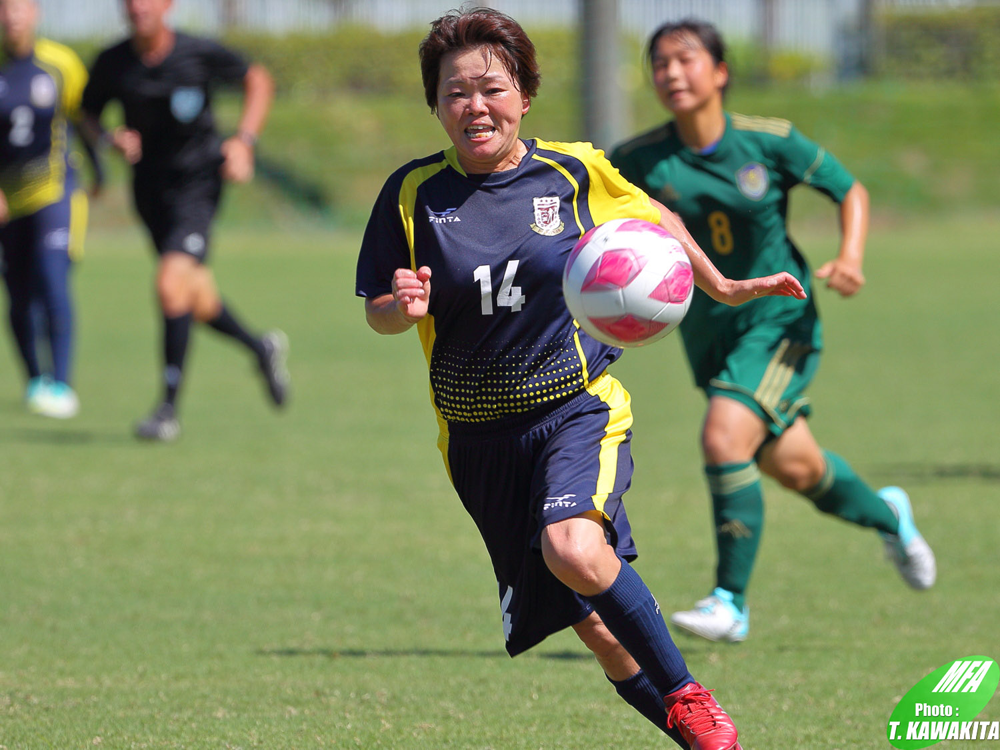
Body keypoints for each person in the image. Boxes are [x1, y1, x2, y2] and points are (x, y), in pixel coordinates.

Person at [357, 9, 809, 748]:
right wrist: (399, 309)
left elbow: (652, 215)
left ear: (524, 95)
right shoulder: (411, 194)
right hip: (475, 442)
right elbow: (378, 308)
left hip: (574, 410)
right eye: (455, 92)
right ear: (434, 105)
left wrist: (723, 286)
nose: (475, 106)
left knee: (574, 549)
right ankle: (700, 739)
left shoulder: (571, 172)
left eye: (492, 88)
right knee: (593, 623)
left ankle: (692, 697)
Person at [609, 19, 936, 644]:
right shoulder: (638, 160)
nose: (671, 72)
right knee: (799, 469)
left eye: (685, 59)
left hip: (781, 320)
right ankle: (890, 517)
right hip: (708, 334)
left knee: (722, 436)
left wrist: (851, 257)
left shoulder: (768, 141)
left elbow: (849, 189)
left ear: (720, 72)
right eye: (660, 63)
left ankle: (729, 603)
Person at [80, 0, 288, 441]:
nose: (138, 7)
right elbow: (87, 115)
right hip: (150, 192)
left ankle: (167, 410)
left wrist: (244, 142)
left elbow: (258, 79)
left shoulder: (197, 52)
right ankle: (260, 347)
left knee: (169, 283)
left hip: (198, 185)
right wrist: (110, 139)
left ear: (167, 5)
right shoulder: (113, 61)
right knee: (193, 296)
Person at [0, 0, 101, 418]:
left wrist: (102, 169)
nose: (12, 16)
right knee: (18, 295)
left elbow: (85, 120)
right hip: (9, 201)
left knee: (52, 277)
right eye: (5, 9)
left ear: (35, 13)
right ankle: (35, 381)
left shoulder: (61, 64)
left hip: (56, 190)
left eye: (19, 8)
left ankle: (62, 383)